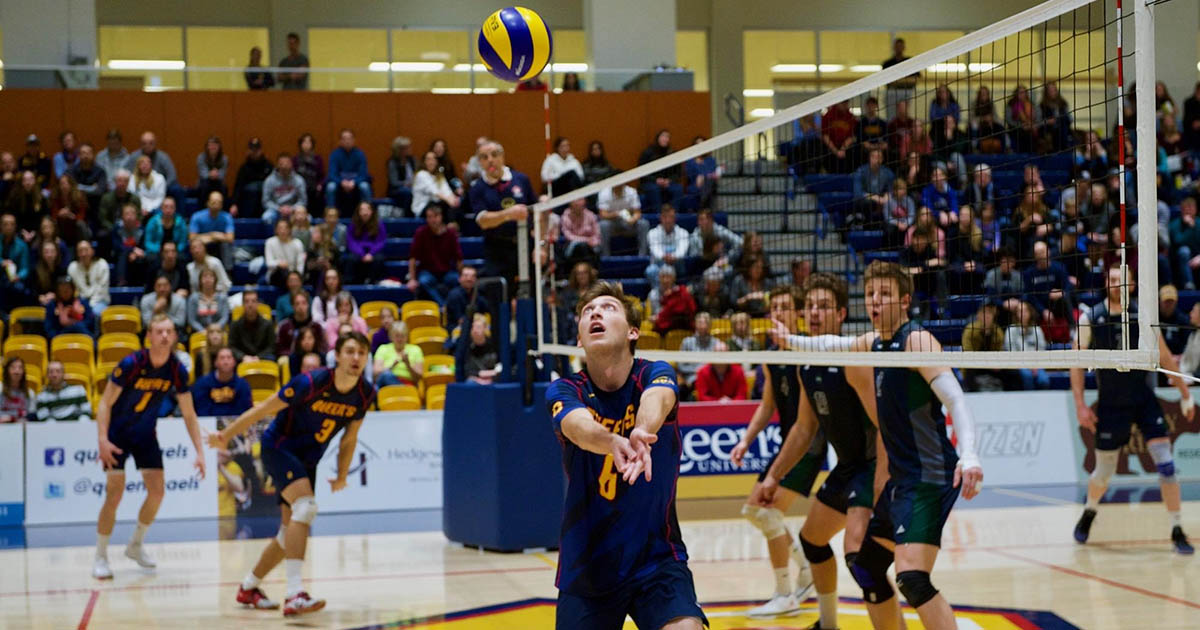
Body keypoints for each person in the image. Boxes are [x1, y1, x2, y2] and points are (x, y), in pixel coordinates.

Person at [545, 280, 707, 630]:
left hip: (657, 556)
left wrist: (640, 432)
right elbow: (576, 426)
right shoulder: (565, 388)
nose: (595, 313)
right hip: (588, 566)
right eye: (588, 311)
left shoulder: (655, 372)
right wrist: (611, 442)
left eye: (608, 308)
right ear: (579, 339)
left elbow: (658, 400)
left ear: (633, 332)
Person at [750, 277, 893, 630]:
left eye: (824, 306)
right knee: (812, 541)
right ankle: (828, 625)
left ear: (842, 314)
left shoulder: (853, 361)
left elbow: (886, 426)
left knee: (859, 556)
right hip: (847, 467)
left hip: (872, 466)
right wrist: (773, 476)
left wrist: (882, 478)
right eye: (810, 305)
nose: (814, 312)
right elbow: (803, 429)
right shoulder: (805, 363)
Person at [209, 332, 374, 615]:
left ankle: (249, 587)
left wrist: (343, 475)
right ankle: (295, 593)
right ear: (337, 356)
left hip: (307, 460)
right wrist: (226, 435)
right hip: (278, 448)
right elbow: (263, 409)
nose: (356, 358)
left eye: (361, 352)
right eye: (350, 351)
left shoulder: (365, 393)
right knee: (305, 508)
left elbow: (349, 439)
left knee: (289, 532)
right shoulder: (310, 383)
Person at [859, 261, 983, 629]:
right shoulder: (874, 344)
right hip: (903, 480)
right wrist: (789, 342)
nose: (874, 301)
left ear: (904, 300)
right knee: (866, 568)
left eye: (883, 294)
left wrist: (970, 453)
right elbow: (830, 343)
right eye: (869, 294)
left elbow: (956, 400)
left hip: (929, 476)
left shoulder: (916, 340)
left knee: (911, 577)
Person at [1072, 264, 1195, 555]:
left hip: (1143, 397)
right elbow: (1075, 361)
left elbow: (1165, 357)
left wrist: (1186, 395)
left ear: (1132, 285)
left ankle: (1176, 528)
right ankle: (1090, 510)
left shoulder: (1144, 316)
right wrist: (1079, 404)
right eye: (1111, 279)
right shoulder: (1092, 318)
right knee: (1103, 473)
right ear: (1106, 283)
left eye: (1121, 280)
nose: (1115, 284)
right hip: (1111, 403)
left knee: (1165, 464)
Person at [92, 314, 207, 580]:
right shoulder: (131, 364)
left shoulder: (177, 370)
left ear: (175, 336)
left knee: (157, 492)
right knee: (115, 494)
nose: (165, 336)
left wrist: (200, 453)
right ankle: (100, 555)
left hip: (145, 434)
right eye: (159, 331)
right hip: (117, 434)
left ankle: (135, 544)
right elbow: (104, 403)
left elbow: (189, 414)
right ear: (149, 336)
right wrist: (102, 439)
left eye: (169, 331)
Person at [470, 140, 535, 293]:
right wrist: (508, 214)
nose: (490, 160)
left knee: (530, 293)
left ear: (502, 157)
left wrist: (541, 246)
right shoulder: (477, 188)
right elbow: (483, 221)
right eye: (484, 157)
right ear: (480, 162)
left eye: (494, 155)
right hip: (496, 250)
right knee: (498, 296)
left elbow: (537, 212)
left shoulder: (521, 180)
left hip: (524, 245)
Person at [192, 347, 254, 417]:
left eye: (229, 358)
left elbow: (244, 411)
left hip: (235, 424)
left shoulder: (243, 385)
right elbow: (201, 411)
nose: (226, 361)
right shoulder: (202, 384)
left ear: (234, 362)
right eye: (222, 358)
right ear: (216, 363)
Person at [597, 178, 649, 256]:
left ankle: (642, 255)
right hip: (612, 223)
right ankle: (605, 256)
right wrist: (617, 214)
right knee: (603, 225)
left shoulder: (631, 191)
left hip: (628, 223)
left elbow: (637, 213)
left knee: (643, 224)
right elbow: (602, 214)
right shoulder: (604, 193)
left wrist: (633, 219)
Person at [325, 129, 371, 213]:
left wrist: (354, 182)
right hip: (340, 183)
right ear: (340, 141)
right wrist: (342, 182)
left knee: (365, 187)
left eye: (349, 139)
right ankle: (330, 213)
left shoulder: (360, 154)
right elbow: (332, 174)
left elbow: (363, 174)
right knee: (330, 187)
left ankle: (367, 212)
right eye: (344, 139)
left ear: (354, 140)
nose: (347, 141)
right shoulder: (335, 154)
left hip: (355, 182)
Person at [637, 129, 683, 211]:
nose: (665, 139)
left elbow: (678, 173)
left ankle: (675, 213)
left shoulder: (673, 153)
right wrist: (656, 180)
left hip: (668, 182)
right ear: (658, 138)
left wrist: (669, 180)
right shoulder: (648, 153)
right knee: (654, 189)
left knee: (678, 189)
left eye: (667, 137)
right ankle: (659, 214)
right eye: (663, 136)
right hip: (651, 182)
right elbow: (641, 172)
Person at [411, 150, 461, 221]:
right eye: (428, 159)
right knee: (442, 205)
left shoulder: (439, 176)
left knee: (457, 206)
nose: (431, 162)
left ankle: (453, 227)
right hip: (422, 208)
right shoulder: (421, 174)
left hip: (438, 205)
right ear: (424, 162)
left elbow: (447, 190)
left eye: (434, 159)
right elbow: (434, 191)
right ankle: (451, 225)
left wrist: (453, 200)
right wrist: (449, 201)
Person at [190, 191, 235, 269]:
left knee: (226, 245)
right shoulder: (197, 216)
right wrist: (212, 235)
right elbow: (192, 238)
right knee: (196, 244)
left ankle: (228, 271)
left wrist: (212, 237)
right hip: (204, 244)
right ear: (208, 203)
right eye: (214, 202)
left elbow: (230, 238)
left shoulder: (227, 217)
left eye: (219, 202)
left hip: (220, 246)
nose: (216, 205)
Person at [645, 204, 690, 283]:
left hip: (677, 264)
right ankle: (660, 293)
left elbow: (682, 250)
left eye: (671, 217)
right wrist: (664, 257)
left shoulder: (683, 232)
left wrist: (673, 257)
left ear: (675, 218)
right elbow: (655, 250)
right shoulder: (652, 233)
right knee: (650, 270)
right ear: (660, 218)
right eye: (665, 217)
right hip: (659, 264)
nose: (668, 220)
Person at [230, 289, 277, 363]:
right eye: (247, 301)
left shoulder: (268, 324)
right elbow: (232, 346)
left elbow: (272, 347)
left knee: (271, 357)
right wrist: (243, 357)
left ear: (258, 303)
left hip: (263, 358)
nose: (250, 305)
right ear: (243, 304)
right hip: (242, 359)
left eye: (253, 301)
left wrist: (258, 357)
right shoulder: (235, 324)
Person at [345, 201, 386, 284]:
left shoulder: (379, 224)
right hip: (358, 252)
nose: (365, 212)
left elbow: (380, 242)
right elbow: (351, 242)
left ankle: (373, 282)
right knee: (350, 259)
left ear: (372, 211)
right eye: (362, 210)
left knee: (379, 259)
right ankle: (351, 283)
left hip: (373, 253)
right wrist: (362, 254)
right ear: (358, 212)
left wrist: (371, 254)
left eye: (367, 209)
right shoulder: (353, 224)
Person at [230, 138, 272, 218]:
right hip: (248, 200)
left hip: (265, 200)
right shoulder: (244, 168)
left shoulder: (268, 166)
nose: (254, 152)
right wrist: (234, 204)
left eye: (257, 149)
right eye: (252, 149)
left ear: (261, 150)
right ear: (248, 151)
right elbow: (238, 186)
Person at [276, 291, 324, 359]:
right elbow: (280, 349)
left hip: (313, 358)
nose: (300, 306)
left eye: (303, 303)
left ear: (308, 305)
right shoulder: (284, 327)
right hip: (291, 359)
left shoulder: (316, 327)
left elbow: (322, 347)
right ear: (292, 306)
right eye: (297, 303)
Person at [373, 321, 424, 387]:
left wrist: (408, 364)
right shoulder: (383, 348)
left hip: (408, 384)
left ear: (407, 336)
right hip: (385, 384)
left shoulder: (416, 350)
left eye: (402, 336)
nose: (400, 339)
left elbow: (418, 378)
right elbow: (375, 374)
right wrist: (391, 366)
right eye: (397, 336)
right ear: (391, 336)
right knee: (386, 375)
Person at [262, 153, 308, 225]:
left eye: (287, 163)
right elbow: (266, 201)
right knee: (266, 217)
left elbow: (303, 200)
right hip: (276, 210)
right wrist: (279, 209)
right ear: (277, 165)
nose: (284, 166)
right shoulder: (269, 180)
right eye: (281, 163)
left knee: (308, 218)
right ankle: (272, 236)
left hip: (294, 210)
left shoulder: (299, 180)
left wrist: (292, 208)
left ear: (291, 164)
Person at [67, 240, 109, 315]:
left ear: (92, 251)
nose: (83, 254)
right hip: (80, 302)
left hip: (100, 300)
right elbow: (73, 291)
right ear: (77, 253)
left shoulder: (102, 264)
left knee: (95, 313)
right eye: (80, 251)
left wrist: (88, 306)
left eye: (86, 250)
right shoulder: (72, 267)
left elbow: (101, 291)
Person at [143, 197, 188, 268]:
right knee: (150, 259)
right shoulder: (153, 221)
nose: (168, 210)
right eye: (166, 207)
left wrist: (173, 251)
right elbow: (148, 242)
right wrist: (162, 251)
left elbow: (183, 242)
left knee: (182, 258)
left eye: (171, 207)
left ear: (175, 209)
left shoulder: (180, 222)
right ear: (161, 208)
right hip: (157, 251)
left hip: (174, 251)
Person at [0, 213, 32, 307]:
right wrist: (2, 262)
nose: (9, 227)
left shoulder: (22, 245)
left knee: (22, 290)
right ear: (1, 226)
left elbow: (25, 268)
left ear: (15, 226)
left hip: (13, 278)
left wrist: (18, 276)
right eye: (5, 224)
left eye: (11, 224)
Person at [265, 218, 306, 290]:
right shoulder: (270, 242)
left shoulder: (297, 243)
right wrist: (279, 263)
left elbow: (300, 264)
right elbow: (269, 263)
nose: (283, 230)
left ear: (290, 229)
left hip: (293, 274)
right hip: (276, 274)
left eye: (285, 228)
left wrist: (297, 276)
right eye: (280, 228)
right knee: (282, 272)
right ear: (276, 230)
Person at [458, 312, 498, 384]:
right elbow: (466, 371)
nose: (475, 330)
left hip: (492, 379)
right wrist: (479, 377)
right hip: (473, 380)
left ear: (485, 328)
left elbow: (497, 366)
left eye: (478, 327)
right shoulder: (466, 347)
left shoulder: (492, 344)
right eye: (473, 327)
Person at [187, 267, 230, 333]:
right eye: (205, 277)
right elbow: (192, 320)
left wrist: (215, 329)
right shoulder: (193, 298)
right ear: (200, 280)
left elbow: (225, 317)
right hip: (199, 333)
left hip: (218, 331)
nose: (208, 279)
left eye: (211, 277)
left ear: (215, 280)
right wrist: (202, 330)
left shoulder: (222, 298)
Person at [294, 133, 325, 209]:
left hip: (314, 186)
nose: (306, 145)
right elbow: (293, 175)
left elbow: (322, 175)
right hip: (300, 186)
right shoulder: (295, 159)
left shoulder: (318, 159)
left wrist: (320, 184)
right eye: (304, 142)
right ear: (300, 144)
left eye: (309, 142)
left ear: (312, 144)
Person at [0, 357, 36, 423]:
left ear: (23, 372)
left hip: (20, 428)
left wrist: (13, 419)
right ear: (7, 371)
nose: (17, 371)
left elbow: (31, 416)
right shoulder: (0, 389)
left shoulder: (30, 393)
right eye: (13, 368)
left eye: (20, 368)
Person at [385, 136, 416, 211]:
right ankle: (407, 215)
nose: (409, 149)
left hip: (412, 186)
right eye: (407, 148)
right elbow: (394, 182)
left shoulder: (412, 160)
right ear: (399, 150)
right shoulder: (392, 162)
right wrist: (406, 183)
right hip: (397, 190)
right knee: (407, 192)